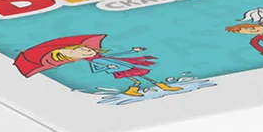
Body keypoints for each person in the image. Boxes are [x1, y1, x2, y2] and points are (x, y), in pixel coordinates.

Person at [12, 33, 183, 94]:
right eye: (79, 51)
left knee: (141, 75)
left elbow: (118, 55)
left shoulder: (97, 55)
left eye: (84, 48)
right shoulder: (94, 61)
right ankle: (137, 89)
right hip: (118, 67)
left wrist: (133, 51)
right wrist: (109, 67)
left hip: (122, 64)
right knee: (137, 77)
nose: (87, 51)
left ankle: (160, 86)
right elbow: (95, 69)